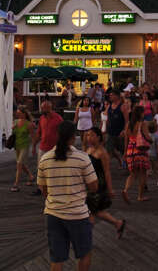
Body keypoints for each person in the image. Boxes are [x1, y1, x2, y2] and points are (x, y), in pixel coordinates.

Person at [37, 121, 98, 271]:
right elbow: (94, 187)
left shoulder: (45, 159)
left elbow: (43, 189)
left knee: (57, 259)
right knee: (84, 254)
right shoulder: (82, 158)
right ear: (73, 137)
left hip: (53, 214)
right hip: (77, 214)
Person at [83, 127, 125, 238]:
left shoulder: (103, 153)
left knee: (90, 211)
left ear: (98, 137)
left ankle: (87, 238)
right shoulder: (89, 149)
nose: (89, 137)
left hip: (98, 185)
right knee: (96, 211)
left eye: (91, 135)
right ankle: (118, 223)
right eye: (87, 135)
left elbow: (107, 172)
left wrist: (110, 189)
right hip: (88, 184)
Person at [32, 100, 64, 195]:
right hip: (43, 147)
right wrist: (34, 146)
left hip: (54, 148)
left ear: (49, 108)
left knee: (54, 168)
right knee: (40, 168)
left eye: (43, 108)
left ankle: (54, 187)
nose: (41, 110)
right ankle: (40, 188)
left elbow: (63, 132)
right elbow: (39, 133)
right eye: (41, 108)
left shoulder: (58, 118)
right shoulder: (42, 118)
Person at [122, 105, 152, 203]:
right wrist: (151, 140)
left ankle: (126, 190)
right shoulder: (142, 124)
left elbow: (126, 139)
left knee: (132, 174)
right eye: (143, 112)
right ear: (140, 114)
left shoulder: (128, 124)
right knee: (143, 174)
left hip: (130, 149)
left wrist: (125, 152)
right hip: (140, 150)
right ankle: (140, 196)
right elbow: (147, 137)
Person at [10, 105, 35, 192]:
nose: (17, 114)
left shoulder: (29, 124)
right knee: (21, 164)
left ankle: (16, 184)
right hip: (17, 145)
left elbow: (32, 136)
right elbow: (13, 132)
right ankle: (31, 176)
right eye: (17, 113)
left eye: (19, 113)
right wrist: (12, 128)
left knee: (19, 163)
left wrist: (34, 147)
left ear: (24, 114)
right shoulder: (15, 121)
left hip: (25, 145)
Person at [104, 90, 128, 169]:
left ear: (117, 96)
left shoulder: (122, 106)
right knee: (108, 150)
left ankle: (127, 165)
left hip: (120, 133)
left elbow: (127, 121)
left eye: (112, 95)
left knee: (123, 150)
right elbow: (106, 118)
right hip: (110, 132)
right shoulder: (109, 106)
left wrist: (124, 130)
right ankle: (105, 168)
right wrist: (105, 128)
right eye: (110, 95)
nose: (110, 96)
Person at [147, 120, 158, 188]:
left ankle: (144, 183)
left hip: (147, 154)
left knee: (148, 170)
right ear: (156, 128)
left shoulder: (147, 135)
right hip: (154, 156)